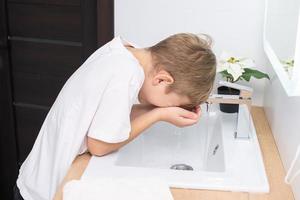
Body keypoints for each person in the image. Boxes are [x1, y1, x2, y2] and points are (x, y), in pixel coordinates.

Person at [14, 33, 216, 200]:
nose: (162, 106)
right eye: (172, 103)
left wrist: (163, 111)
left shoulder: (125, 52)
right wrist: (159, 114)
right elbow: (99, 146)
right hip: (44, 190)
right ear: (162, 79)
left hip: (37, 175)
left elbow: (111, 115)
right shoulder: (126, 73)